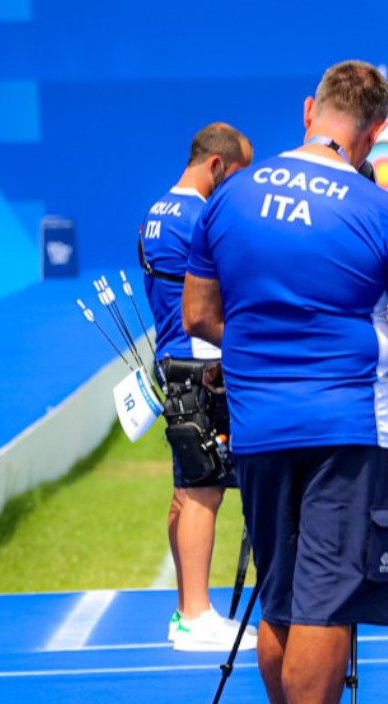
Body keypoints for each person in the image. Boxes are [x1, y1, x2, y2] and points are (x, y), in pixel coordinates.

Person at [182, 60, 388, 704]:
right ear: (378, 131)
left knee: (279, 598)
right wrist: (368, 356)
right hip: (347, 427)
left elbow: (199, 317)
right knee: (326, 602)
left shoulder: (230, 197)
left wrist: (263, 350)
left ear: (310, 110)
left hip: (257, 425)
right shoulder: (384, 213)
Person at [139, 122, 256, 651]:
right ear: (215, 165)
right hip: (204, 365)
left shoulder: (157, 212)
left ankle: (186, 606)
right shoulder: (201, 216)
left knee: (185, 491)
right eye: (235, 178)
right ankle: (196, 614)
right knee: (204, 491)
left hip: (173, 359)